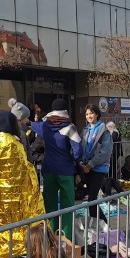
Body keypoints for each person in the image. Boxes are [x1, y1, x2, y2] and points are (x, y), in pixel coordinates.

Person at [0, 111, 45, 258]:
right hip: (13, 196)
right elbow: (24, 169)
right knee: (12, 233)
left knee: (1, 231)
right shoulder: (13, 144)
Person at [31, 98, 82, 241]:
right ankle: (66, 238)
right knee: (68, 206)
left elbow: (31, 125)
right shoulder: (70, 127)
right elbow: (78, 150)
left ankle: (51, 236)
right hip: (65, 170)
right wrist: (73, 160)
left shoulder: (44, 126)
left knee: (49, 205)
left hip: (48, 169)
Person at [80, 104, 112, 224]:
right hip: (87, 168)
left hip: (99, 168)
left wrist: (91, 164)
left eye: (91, 113)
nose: (89, 116)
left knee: (92, 199)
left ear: (97, 114)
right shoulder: (85, 130)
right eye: (87, 114)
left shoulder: (104, 131)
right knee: (91, 199)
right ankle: (98, 225)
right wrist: (82, 164)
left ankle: (103, 224)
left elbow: (105, 152)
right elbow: (81, 148)